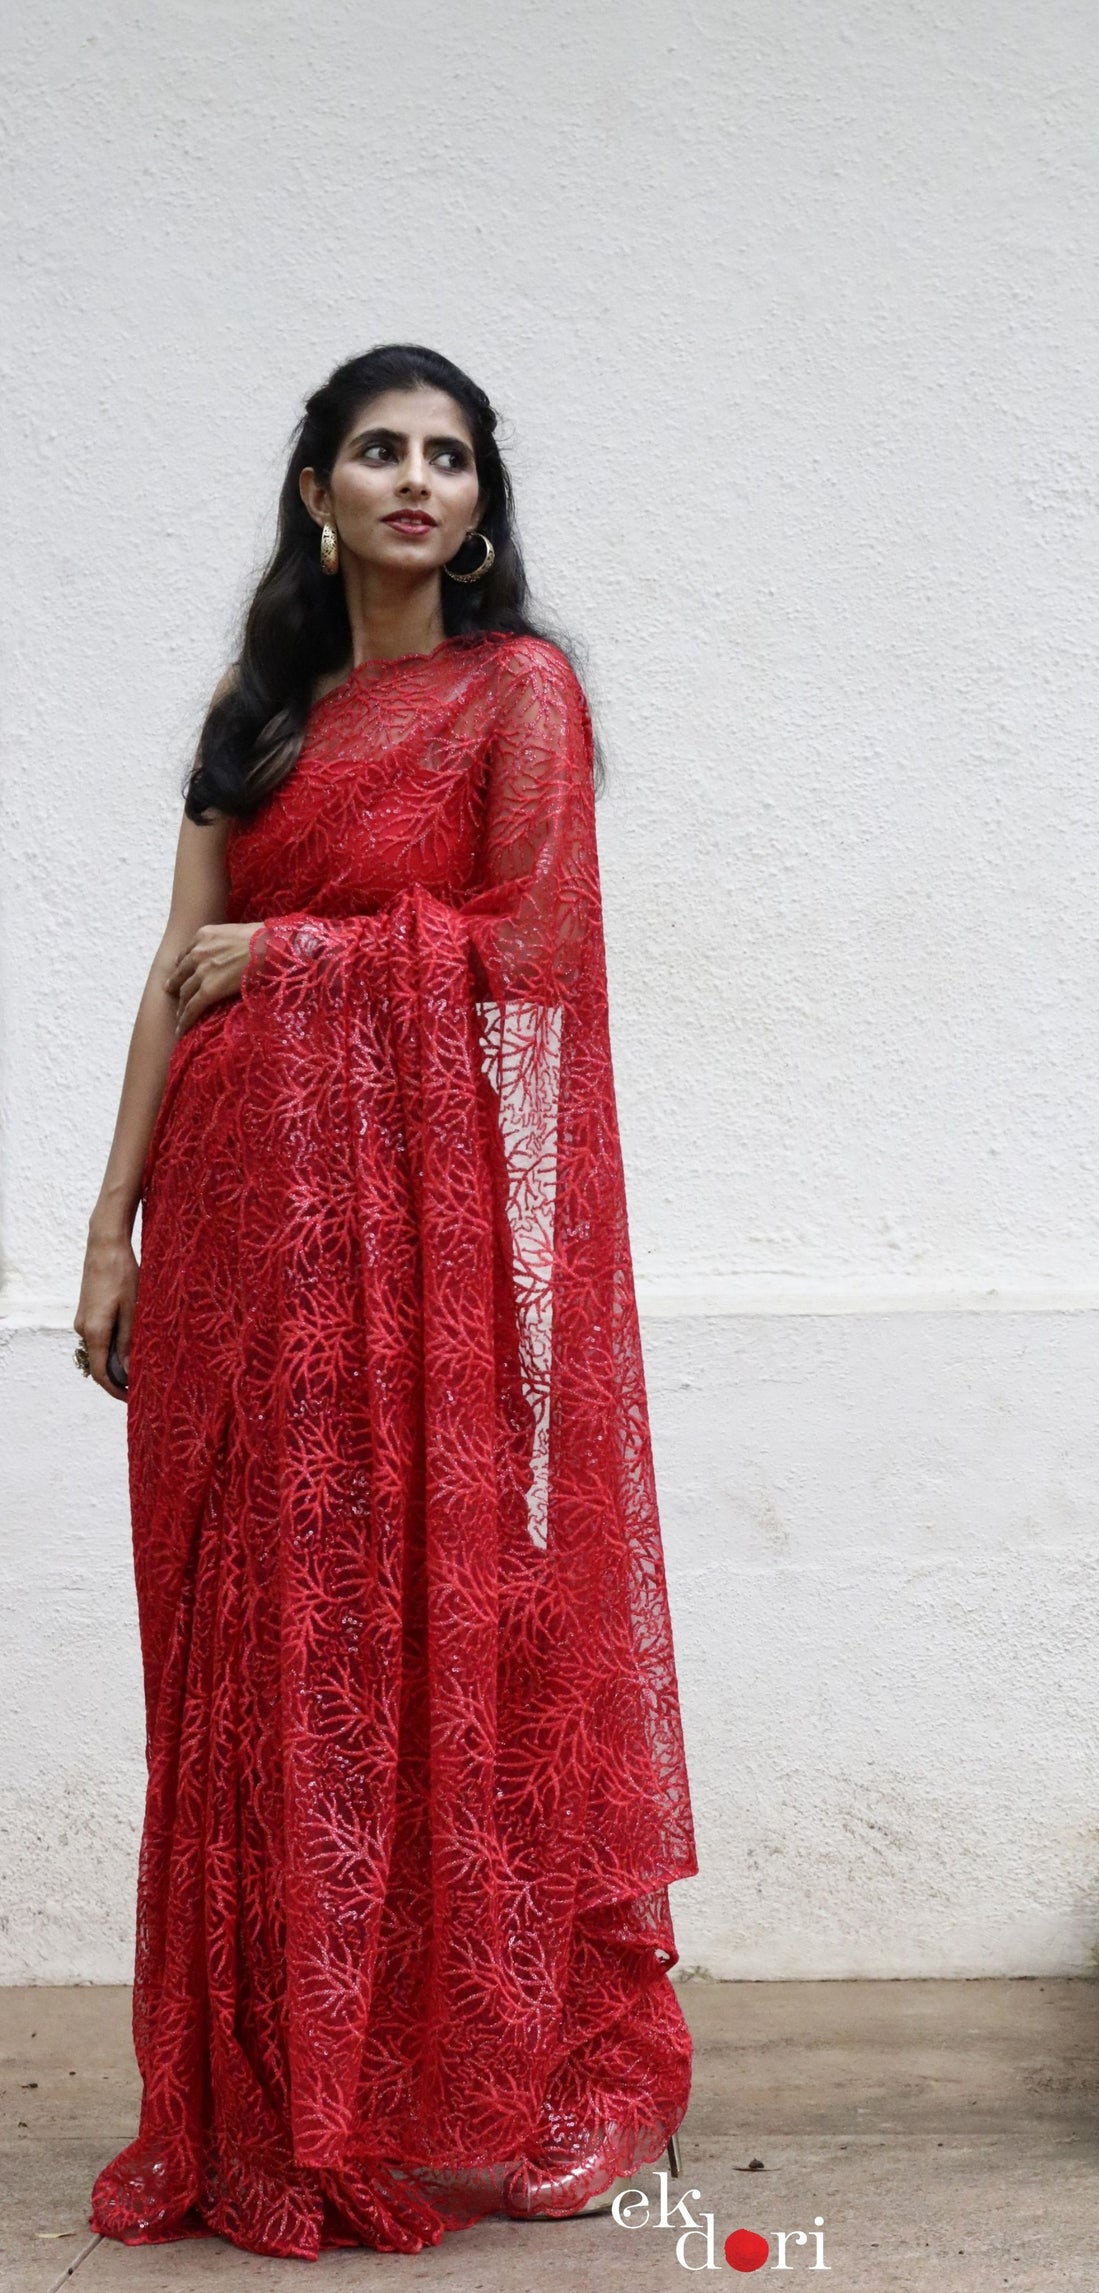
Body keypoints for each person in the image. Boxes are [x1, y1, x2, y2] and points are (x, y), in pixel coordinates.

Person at [73, 343, 697, 2260]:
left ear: (478, 507)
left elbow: (533, 952)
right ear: (318, 492)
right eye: (377, 450)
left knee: (411, 1636)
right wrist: (109, 1230)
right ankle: (257, 2092)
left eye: (445, 456)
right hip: (228, 1246)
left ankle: (448, 2077)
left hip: (404, 1272)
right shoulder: (254, 714)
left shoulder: (516, 693)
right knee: (242, 1664)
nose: (413, 480)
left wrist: (321, 953)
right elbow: (176, 974)